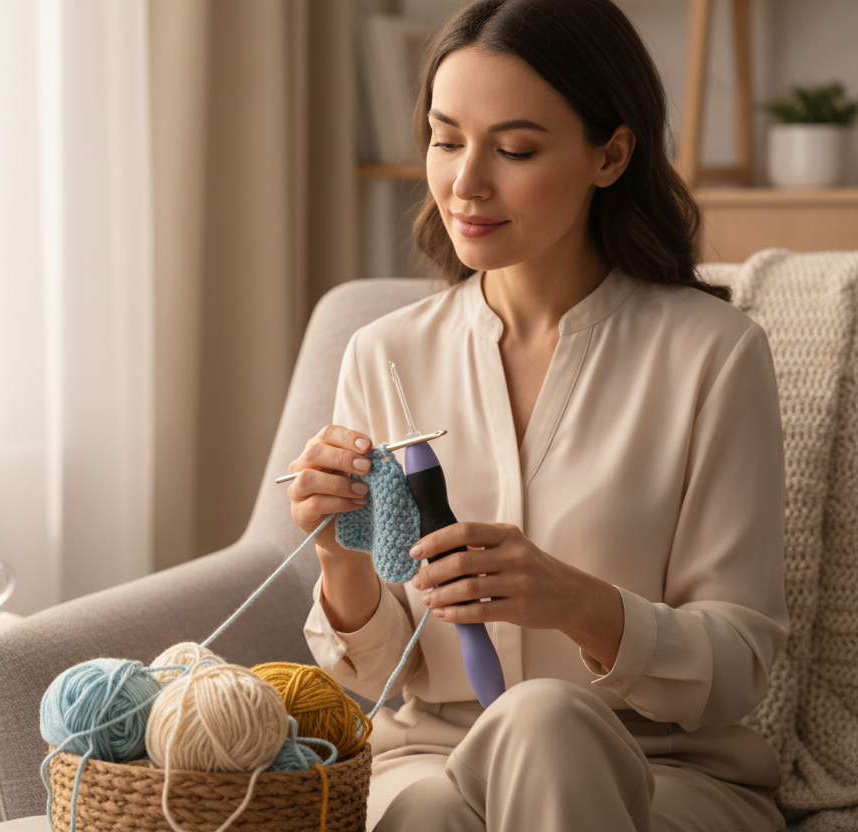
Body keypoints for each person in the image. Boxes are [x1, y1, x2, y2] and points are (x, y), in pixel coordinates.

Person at [285, 0, 788, 830]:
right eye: (447, 140)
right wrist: (341, 563)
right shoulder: (384, 355)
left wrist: (575, 602)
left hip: (663, 777)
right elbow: (374, 682)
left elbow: (738, 665)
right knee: (432, 813)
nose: (465, 181)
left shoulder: (715, 355)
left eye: (514, 149)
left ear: (611, 154)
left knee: (544, 720)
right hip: (430, 761)